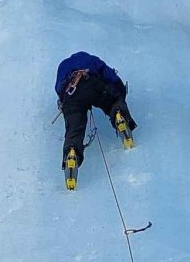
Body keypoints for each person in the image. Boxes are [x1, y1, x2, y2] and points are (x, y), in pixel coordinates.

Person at [55, 51, 136, 190]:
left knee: (74, 129)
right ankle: (119, 115)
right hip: (90, 82)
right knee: (113, 102)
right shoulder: (91, 59)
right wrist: (120, 92)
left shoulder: (62, 66)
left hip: (70, 92)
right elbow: (109, 75)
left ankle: (72, 153)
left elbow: (58, 89)